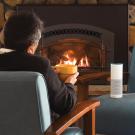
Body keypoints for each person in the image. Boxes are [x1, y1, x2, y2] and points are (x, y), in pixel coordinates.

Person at [0, 12, 79, 117]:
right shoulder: (40, 65)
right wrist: (69, 84)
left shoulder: (41, 67)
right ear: (31, 46)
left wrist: (49, 75)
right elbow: (65, 105)